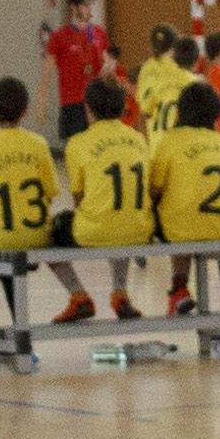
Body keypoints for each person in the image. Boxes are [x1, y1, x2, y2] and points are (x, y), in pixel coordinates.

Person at [0, 76, 63, 360]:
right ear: (25, 110)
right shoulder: (39, 144)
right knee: (6, 252)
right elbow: (51, 192)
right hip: (38, 234)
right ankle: (19, 326)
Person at [61, 75, 155, 317]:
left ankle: (78, 295)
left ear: (88, 109)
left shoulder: (78, 143)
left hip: (96, 231)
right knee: (121, 216)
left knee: (53, 231)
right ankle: (120, 293)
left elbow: (79, 198)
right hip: (140, 230)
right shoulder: (138, 139)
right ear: (124, 107)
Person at [148, 81, 220, 317]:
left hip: (180, 230)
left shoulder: (170, 140)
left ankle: (179, 288)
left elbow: (154, 191)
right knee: (191, 213)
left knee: (171, 210)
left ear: (182, 110)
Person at [42, 0, 113, 142]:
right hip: (72, 103)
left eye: (90, 5)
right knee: (74, 149)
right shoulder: (59, 36)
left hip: (96, 103)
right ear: (74, 8)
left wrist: (108, 66)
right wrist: (42, 101)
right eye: (85, 5)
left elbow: (107, 61)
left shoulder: (99, 33)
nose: (89, 10)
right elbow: (47, 73)